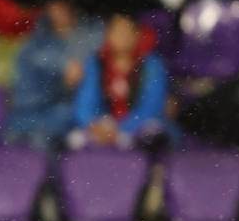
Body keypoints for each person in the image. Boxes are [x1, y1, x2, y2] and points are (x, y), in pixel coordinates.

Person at [5, 1, 104, 150]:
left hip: (75, 111)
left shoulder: (95, 37)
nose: (60, 9)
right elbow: (23, 92)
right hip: (34, 112)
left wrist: (85, 74)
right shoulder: (34, 43)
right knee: (13, 137)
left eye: (65, 2)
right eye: (54, 4)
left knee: (42, 139)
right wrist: (59, 81)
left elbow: (94, 87)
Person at [72, 13, 174, 149]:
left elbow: (151, 107)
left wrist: (121, 129)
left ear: (137, 35)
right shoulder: (95, 63)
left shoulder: (152, 65)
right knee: (75, 140)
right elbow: (85, 102)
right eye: (118, 31)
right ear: (108, 35)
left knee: (153, 135)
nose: (123, 36)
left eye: (128, 31)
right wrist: (95, 125)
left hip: (138, 127)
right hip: (103, 126)